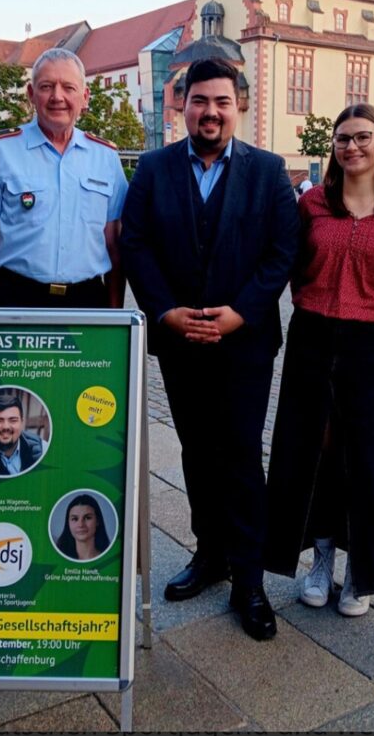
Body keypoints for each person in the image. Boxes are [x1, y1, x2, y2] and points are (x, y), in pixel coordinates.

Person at [120, 57, 300, 641]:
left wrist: (239, 314)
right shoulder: (152, 169)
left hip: (244, 343)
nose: (211, 112)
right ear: (182, 105)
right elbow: (137, 244)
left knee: (242, 456)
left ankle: (249, 579)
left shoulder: (269, 171)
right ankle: (210, 554)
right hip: (179, 340)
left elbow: (281, 252)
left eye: (222, 101)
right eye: (200, 101)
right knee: (197, 451)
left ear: (238, 106)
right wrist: (165, 310)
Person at [265, 104, 374, 617]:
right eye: (341, 139)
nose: (351, 147)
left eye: (362, 137)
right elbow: (292, 266)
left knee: (367, 458)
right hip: (311, 333)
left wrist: (371, 311)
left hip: (368, 341)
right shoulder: (312, 203)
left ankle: (361, 568)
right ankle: (322, 552)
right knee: (311, 450)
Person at [0, 48, 128, 308]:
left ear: (84, 97)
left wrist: (115, 319)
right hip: (16, 298)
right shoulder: (0, 151)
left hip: (87, 302)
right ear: (31, 94)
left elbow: (115, 250)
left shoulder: (105, 157)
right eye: (46, 86)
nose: (57, 97)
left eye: (68, 87)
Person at [56, 493, 110, 561]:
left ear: (97, 521)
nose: (81, 524)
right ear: (68, 523)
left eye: (87, 518)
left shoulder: (108, 558)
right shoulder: (57, 558)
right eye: (75, 519)